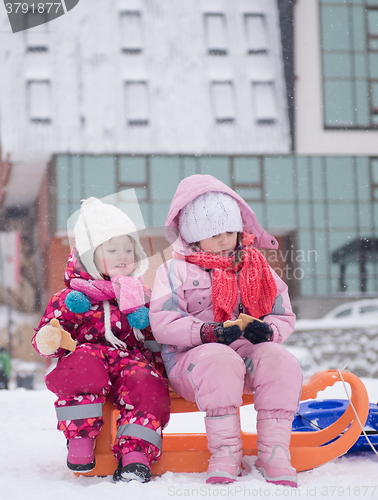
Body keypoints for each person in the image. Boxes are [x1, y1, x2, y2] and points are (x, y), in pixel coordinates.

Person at [150, 175, 302, 487]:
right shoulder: (173, 271)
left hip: (246, 356)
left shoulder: (257, 266)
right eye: (214, 234)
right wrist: (207, 332)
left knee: (279, 359)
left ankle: (274, 451)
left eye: (230, 231)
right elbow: (163, 323)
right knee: (219, 358)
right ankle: (225, 451)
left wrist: (266, 331)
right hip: (193, 364)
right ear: (194, 236)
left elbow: (282, 314)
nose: (224, 240)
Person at [32, 197, 170, 483]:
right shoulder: (71, 298)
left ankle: (135, 453)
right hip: (87, 356)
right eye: (112, 248)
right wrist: (50, 337)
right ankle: (80, 439)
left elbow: (160, 335)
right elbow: (48, 336)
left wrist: (149, 326)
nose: (123, 255)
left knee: (147, 384)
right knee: (81, 366)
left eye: (128, 249)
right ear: (88, 254)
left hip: (129, 360)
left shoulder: (140, 294)